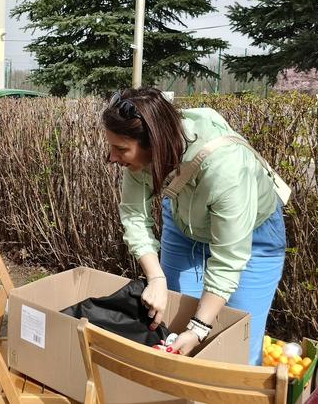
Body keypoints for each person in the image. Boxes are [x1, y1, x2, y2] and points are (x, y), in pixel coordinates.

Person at [102, 87, 286, 365]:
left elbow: (228, 260)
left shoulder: (227, 169)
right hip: (184, 221)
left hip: (251, 236)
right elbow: (134, 215)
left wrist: (200, 327)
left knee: (237, 347)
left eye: (120, 149)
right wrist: (156, 278)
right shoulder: (143, 156)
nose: (112, 158)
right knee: (173, 326)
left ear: (156, 142)